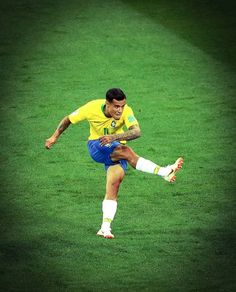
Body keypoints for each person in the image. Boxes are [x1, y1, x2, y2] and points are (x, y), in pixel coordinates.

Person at [45, 88, 183, 239]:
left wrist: (114, 137)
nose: (120, 110)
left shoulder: (126, 111)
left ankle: (105, 228)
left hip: (115, 148)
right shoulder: (91, 108)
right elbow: (68, 119)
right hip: (97, 146)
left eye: (122, 106)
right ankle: (164, 172)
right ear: (107, 104)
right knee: (127, 151)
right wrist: (54, 137)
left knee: (114, 184)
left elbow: (137, 132)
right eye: (116, 106)